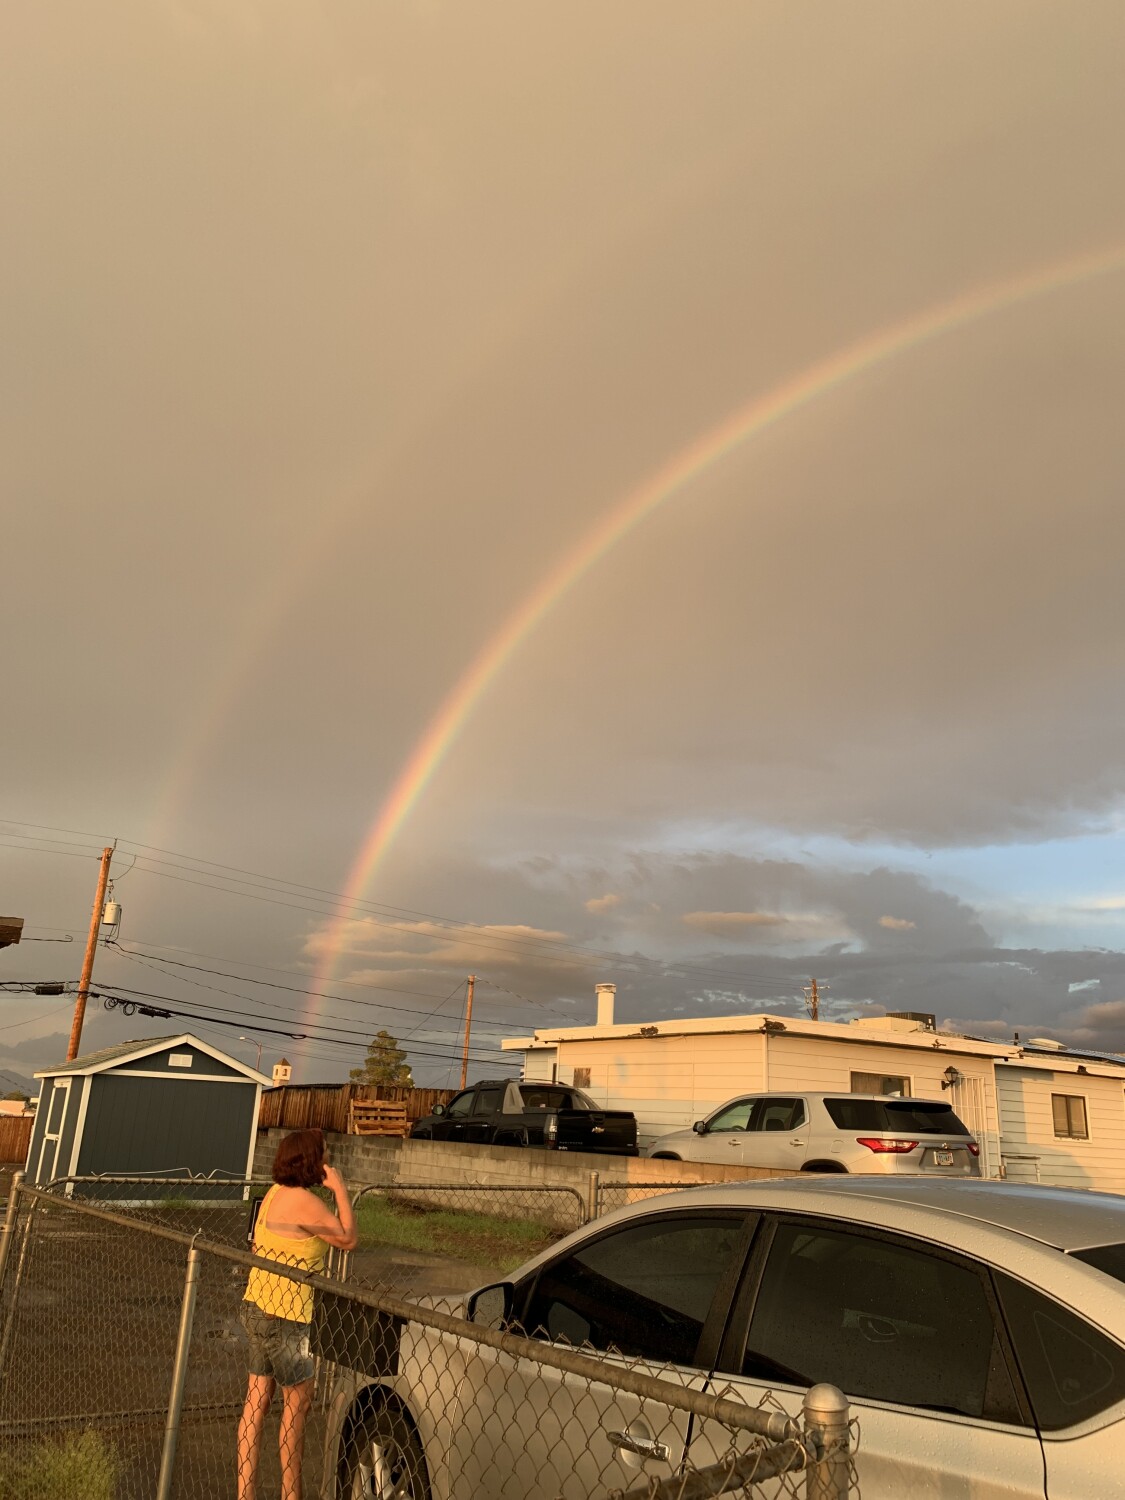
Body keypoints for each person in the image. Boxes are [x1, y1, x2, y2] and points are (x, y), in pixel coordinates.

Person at [237, 1128, 357, 1500]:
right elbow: (348, 1239)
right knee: (296, 1407)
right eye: (324, 1154)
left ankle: (245, 1494)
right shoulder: (306, 1202)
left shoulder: (273, 1194)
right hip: (290, 1318)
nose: (327, 1160)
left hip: (257, 1304)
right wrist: (338, 1190)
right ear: (310, 1161)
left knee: (255, 1406)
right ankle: (291, 1496)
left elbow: (258, 1243)